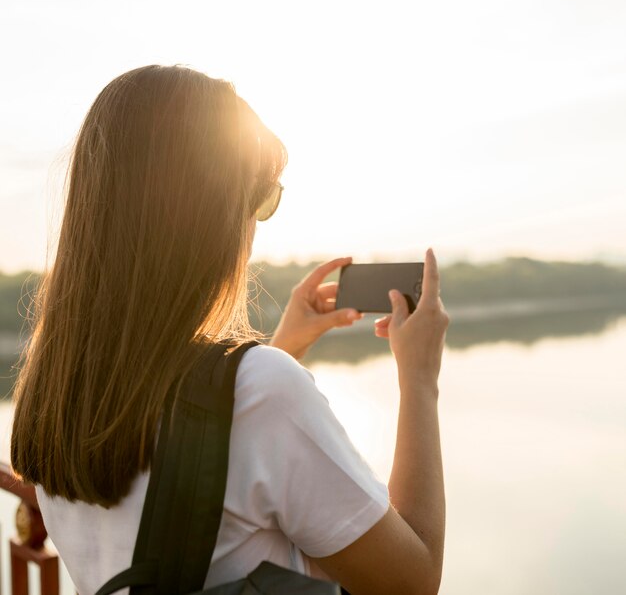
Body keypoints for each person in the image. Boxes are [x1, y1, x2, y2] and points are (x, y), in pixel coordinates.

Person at [10, 64, 449, 595]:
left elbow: (192, 485)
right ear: (209, 213)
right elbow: (414, 581)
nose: (256, 227)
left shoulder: (58, 389)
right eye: (261, 200)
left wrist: (281, 348)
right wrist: (419, 380)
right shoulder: (262, 391)